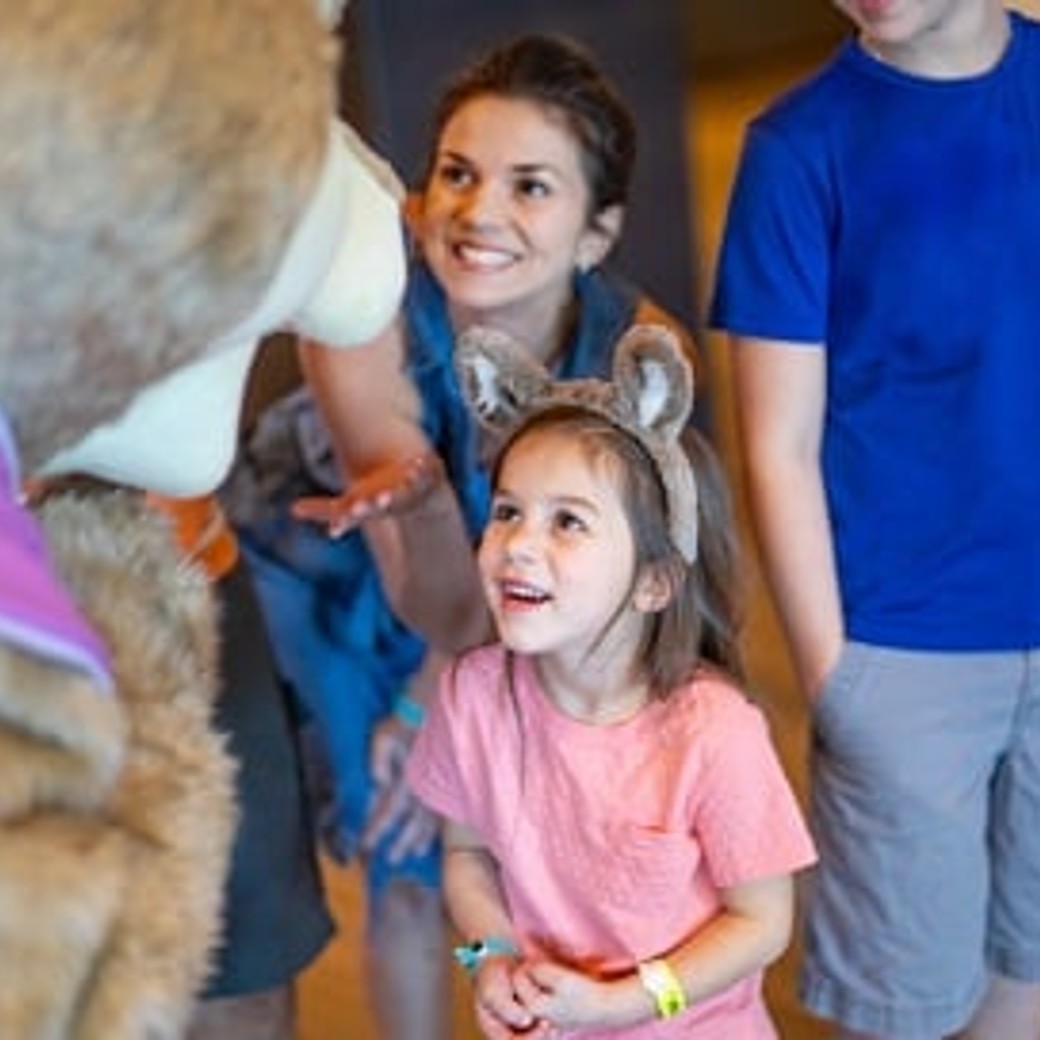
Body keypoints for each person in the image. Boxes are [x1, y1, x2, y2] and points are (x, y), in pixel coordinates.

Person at [223, 32, 698, 1040]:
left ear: (596, 232)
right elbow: (434, 600)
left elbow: (621, 585)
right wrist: (416, 679)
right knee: (405, 856)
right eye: (456, 173)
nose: (477, 212)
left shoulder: (634, 350)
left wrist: (440, 692)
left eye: (531, 186)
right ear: (415, 193)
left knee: (538, 858)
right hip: (352, 580)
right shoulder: (361, 319)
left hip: (538, 609)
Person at [709, 2, 1040, 1038]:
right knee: (902, 1006)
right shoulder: (795, 148)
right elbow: (776, 445)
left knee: (1028, 964)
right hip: (899, 650)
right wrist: (831, 673)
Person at [406, 325, 817, 1040]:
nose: (519, 546)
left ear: (654, 583)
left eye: (568, 521)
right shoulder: (472, 696)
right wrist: (490, 960)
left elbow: (762, 921)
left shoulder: (714, 732)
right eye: (508, 512)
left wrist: (625, 1003)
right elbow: (466, 856)